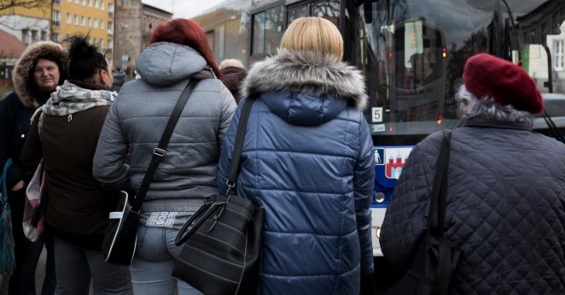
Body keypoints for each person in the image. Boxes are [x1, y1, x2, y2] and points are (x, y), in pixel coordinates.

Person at [380, 53, 565, 294]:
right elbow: (564, 233)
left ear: (468, 104)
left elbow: (395, 246)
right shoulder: (563, 156)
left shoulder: (435, 150)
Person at [217, 17, 375, 295]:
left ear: (285, 48)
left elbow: (225, 185)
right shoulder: (354, 120)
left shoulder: (250, 110)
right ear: (336, 52)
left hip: (261, 267)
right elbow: (360, 207)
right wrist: (365, 268)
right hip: (335, 271)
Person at [93, 18, 236, 294]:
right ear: (200, 48)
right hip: (200, 228)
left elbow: (103, 168)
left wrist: (136, 179)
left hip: (145, 228)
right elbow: (233, 166)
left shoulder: (127, 93)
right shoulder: (218, 93)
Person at [20, 35, 132, 295]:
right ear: (103, 75)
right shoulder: (112, 115)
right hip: (103, 228)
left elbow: (28, 160)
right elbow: (125, 167)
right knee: (113, 291)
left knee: (67, 289)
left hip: (61, 224)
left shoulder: (47, 113)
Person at [0, 41, 65, 295]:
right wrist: (14, 178)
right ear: (30, 73)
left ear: (61, 71)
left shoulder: (70, 102)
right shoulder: (12, 105)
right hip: (25, 197)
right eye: (39, 69)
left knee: (58, 269)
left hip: (62, 197)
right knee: (24, 267)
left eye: (51, 68)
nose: (45, 73)